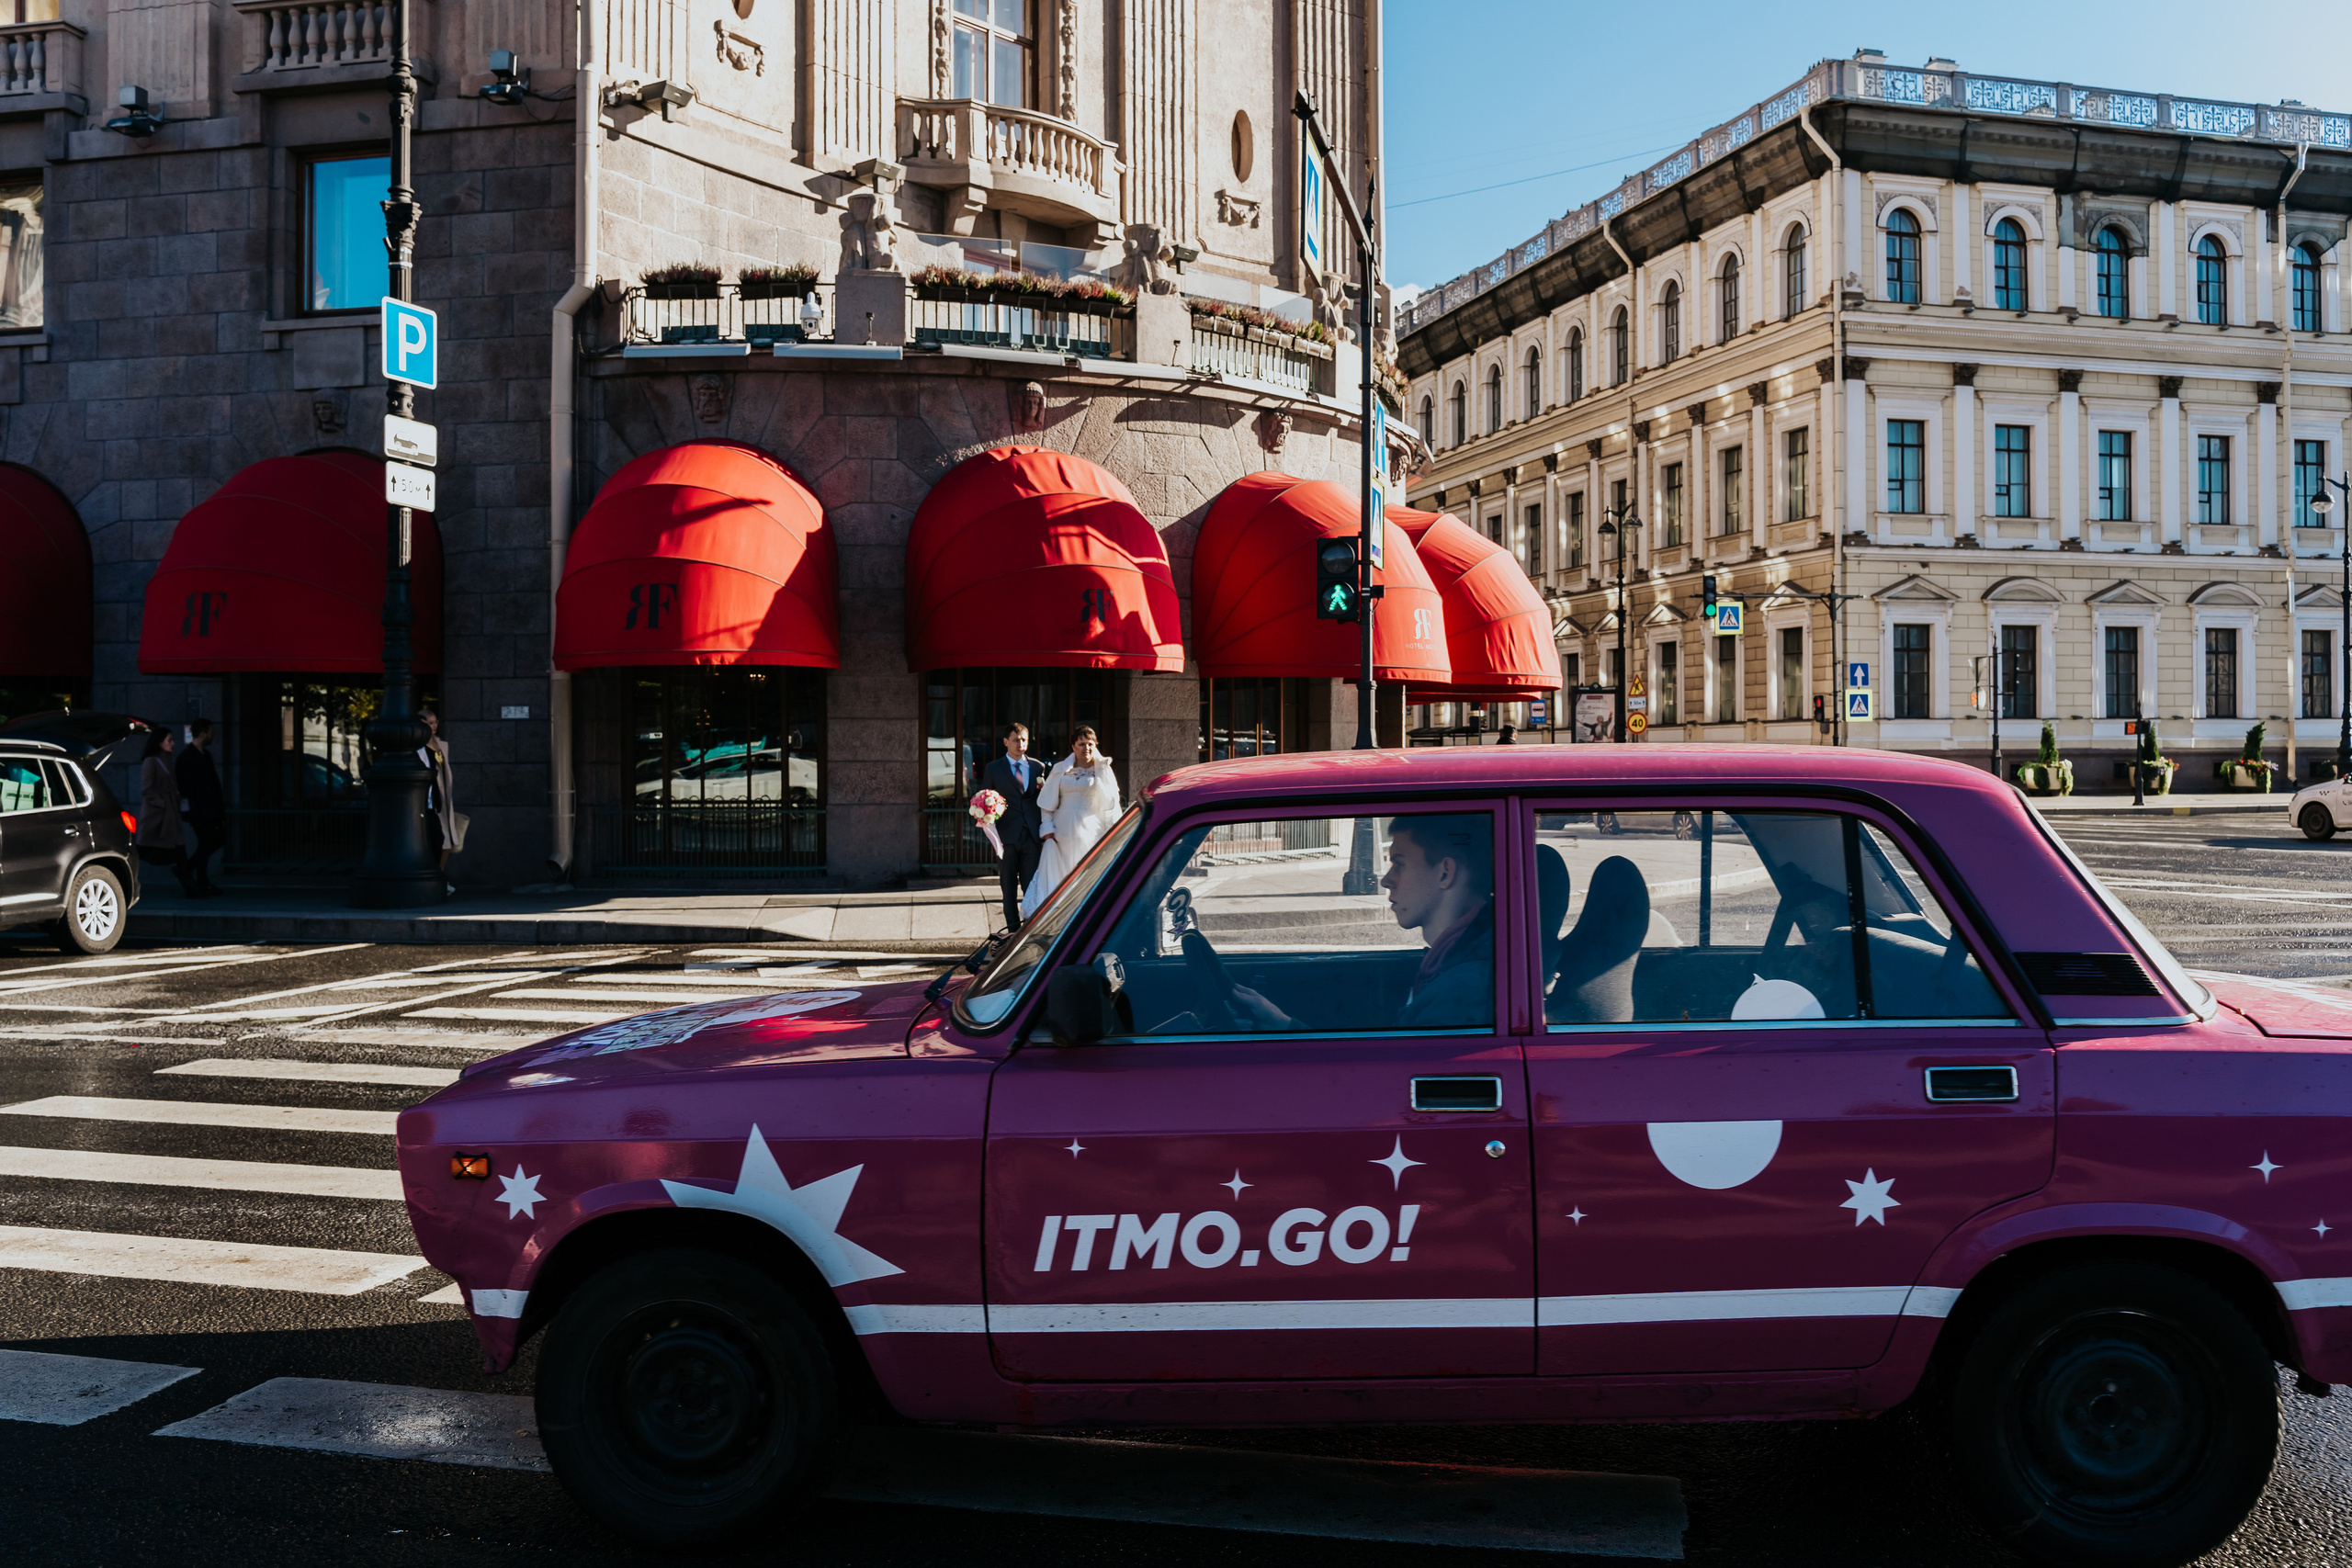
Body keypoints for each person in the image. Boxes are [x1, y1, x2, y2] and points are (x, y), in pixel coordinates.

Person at [1230, 813, 1494, 1032]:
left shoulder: (1462, 989)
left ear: (1445, 873)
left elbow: (1386, 1081)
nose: (1386, 880)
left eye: (1399, 864)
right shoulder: (1453, 961)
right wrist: (1283, 1025)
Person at [1021, 726, 1120, 920]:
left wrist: (1113, 833)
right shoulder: (1060, 770)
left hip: (1093, 830)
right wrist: (1048, 830)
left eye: (1090, 744)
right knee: (1063, 877)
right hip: (1063, 833)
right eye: (1081, 744)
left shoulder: (1103, 770)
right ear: (1073, 746)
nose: (1086, 748)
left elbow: (1112, 805)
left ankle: (1086, 918)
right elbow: (1047, 805)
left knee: (1088, 875)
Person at [979, 722, 1046, 931]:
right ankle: (1012, 933)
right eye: (1016, 740)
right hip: (1006, 836)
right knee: (1008, 890)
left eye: (1024, 739)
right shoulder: (994, 768)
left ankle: (1030, 932)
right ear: (1006, 742)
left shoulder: (1038, 767)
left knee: (1031, 888)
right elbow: (984, 798)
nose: (1020, 743)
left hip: (1031, 836)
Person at [136, 728, 196, 897]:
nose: (172, 743)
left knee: (179, 850)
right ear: (159, 742)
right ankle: (189, 887)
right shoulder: (151, 762)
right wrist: (162, 804)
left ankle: (189, 887)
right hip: (158, 816)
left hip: (169, 814)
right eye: (169, 740)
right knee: (145, 850)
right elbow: (147, 790)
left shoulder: (166, 760)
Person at [175, 717, 225, 897]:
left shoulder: (206, 755)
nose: (212, 736)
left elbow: (213, 783)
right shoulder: (186, 758)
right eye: (211, 732)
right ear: (203, 733)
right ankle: (201, 880)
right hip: (198, 810)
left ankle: (187, 869)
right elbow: (185, 788)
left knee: (216, 839)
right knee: (207, 842)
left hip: (210, 809)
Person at [418, 709, 462, 895]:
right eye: (429, 723)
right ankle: (436, 878)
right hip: (424, 802)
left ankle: (439, 876)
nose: (434, 726)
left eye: (435, 722)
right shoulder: (417, 748)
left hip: (440, 800)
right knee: (436, 840)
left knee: (446, 841)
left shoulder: (440, 745)